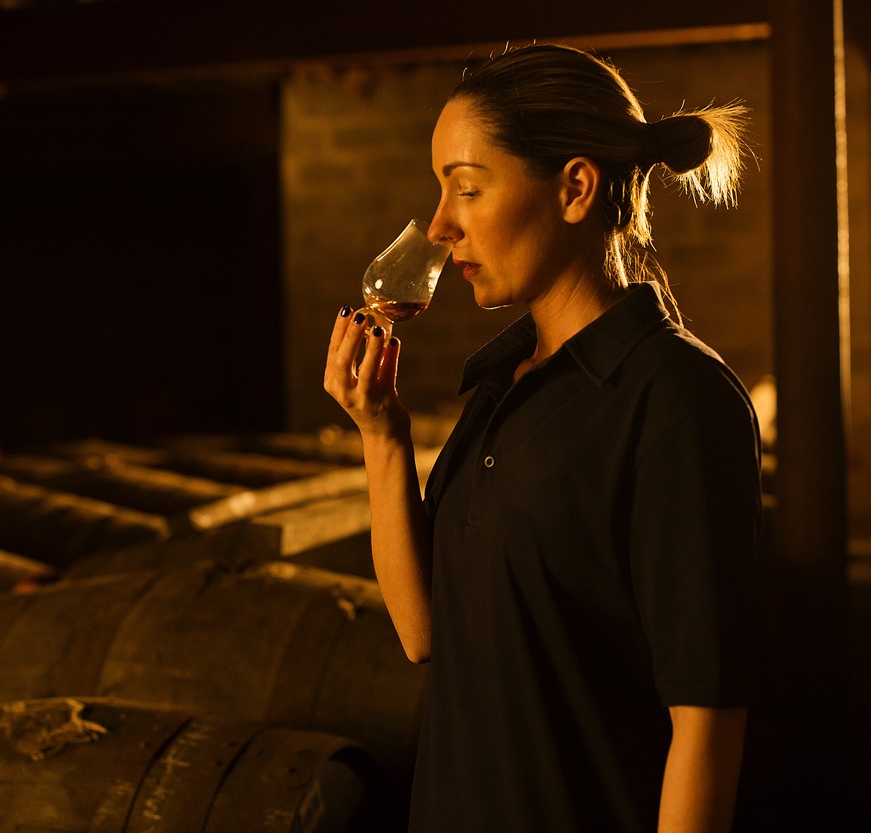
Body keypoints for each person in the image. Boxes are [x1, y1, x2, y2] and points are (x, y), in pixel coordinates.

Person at [324, 44, 760, 833]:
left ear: (574, 188)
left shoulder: (676, 397)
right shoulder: (501, 383)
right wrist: (381, 434)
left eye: (466, 188)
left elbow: (707, 719)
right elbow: (427, 635)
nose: (439, 226)